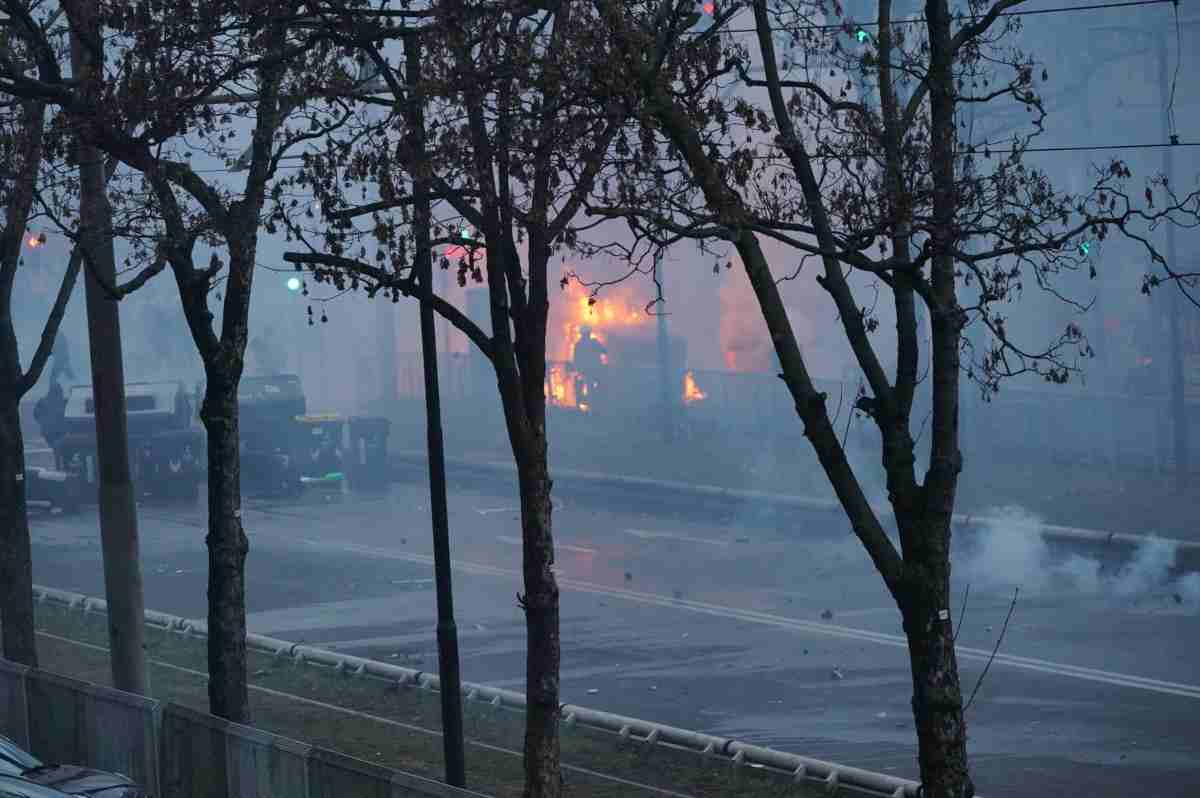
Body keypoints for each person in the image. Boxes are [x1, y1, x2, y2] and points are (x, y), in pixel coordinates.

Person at [572, 325, 608, 407]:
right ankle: (596, 405)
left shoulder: (578, 344)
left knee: (587, 388)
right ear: (589, 333)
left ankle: (587, 405)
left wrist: (578, 370)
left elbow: (576, 359)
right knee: (596, 388)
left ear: (581, 334)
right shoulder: (594, 342)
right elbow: (604, 351)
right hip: (596, 369)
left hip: (585, 371)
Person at [33, 380, 68, 450]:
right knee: (57, 449)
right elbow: (36, 414)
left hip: (55, 432)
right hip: (54, 432)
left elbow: (36, 414)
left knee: (58, 449)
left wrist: (42, 422)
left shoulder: (43, 402)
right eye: (59, 391)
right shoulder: (64, 402)